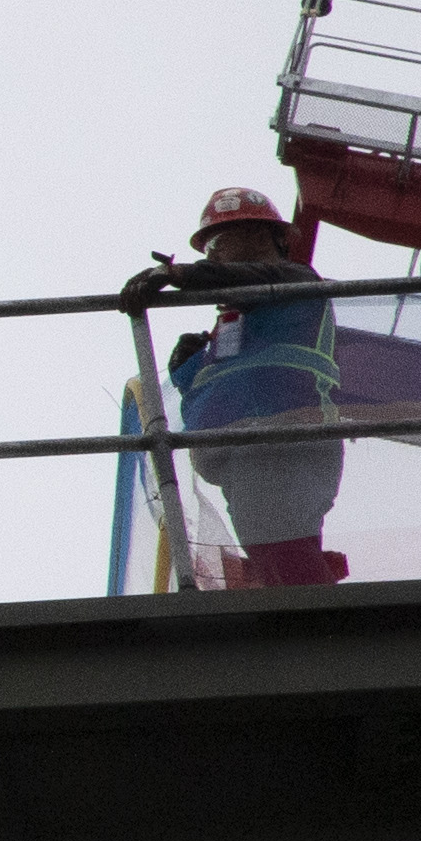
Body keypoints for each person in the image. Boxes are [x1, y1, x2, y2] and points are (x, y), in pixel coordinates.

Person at [124, 188, 347, 587]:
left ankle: (332, 629)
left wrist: (177, 275)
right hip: (243, 449)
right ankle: (319, 623)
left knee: (286, 557)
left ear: (270, 238)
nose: (213, 254)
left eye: (223, 240)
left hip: (285, 437)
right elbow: (226, 383)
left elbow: (246, 281)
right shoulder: (233, 323)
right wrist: (188, 367)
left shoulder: (295, 281)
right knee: (276, 558)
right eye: (211, 243)